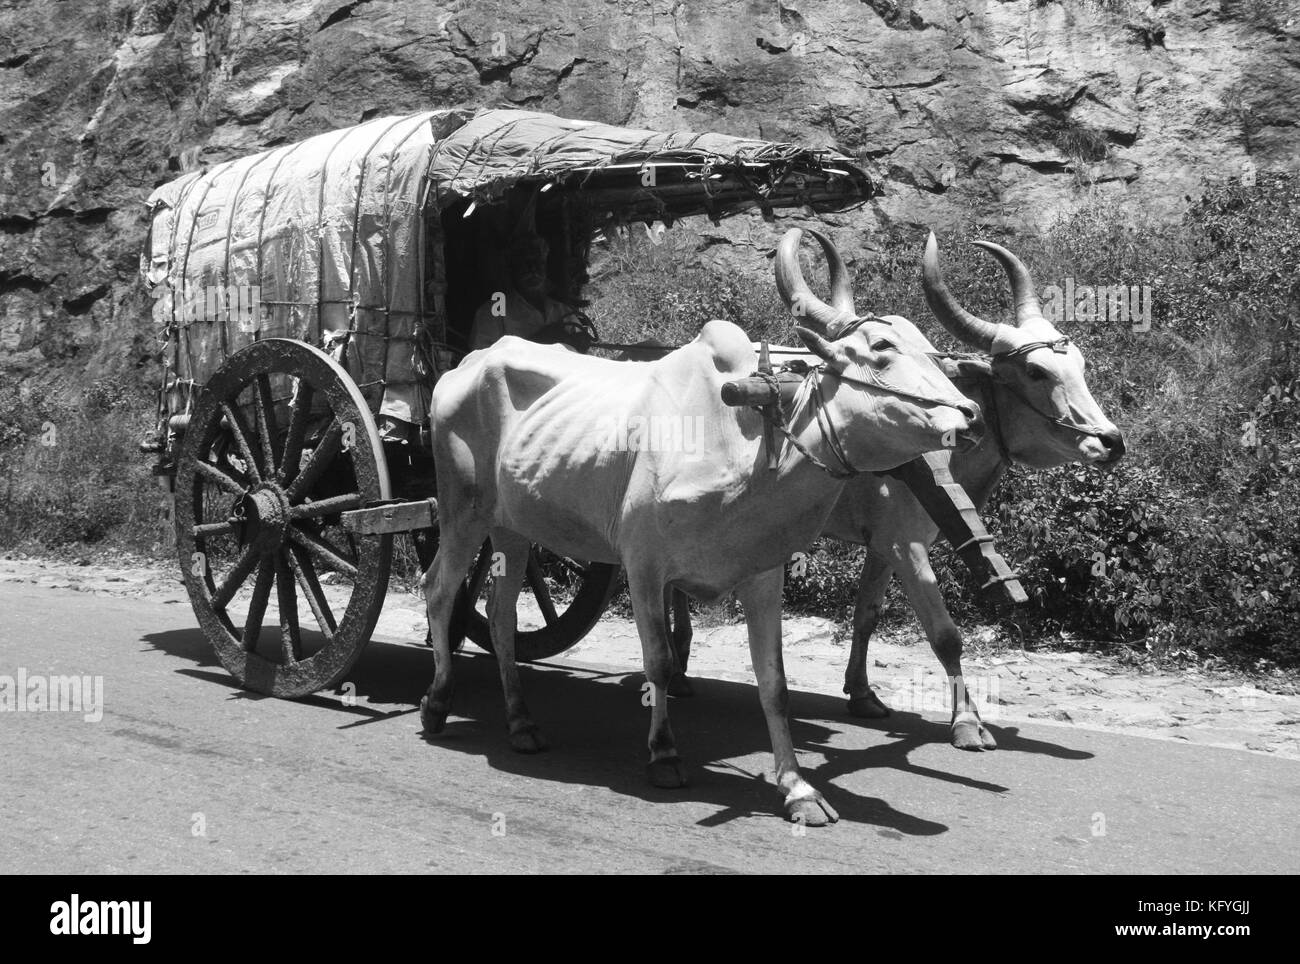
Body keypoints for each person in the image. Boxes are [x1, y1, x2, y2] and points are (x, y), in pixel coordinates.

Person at [467, 230, 592, 352]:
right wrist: (539, 341)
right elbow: (483, 362)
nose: (533, 270)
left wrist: (581, 344)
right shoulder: (495, 311)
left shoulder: (561, 310)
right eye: (526, 263)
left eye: (538, 263)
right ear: (511, 268)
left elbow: (581, 361)